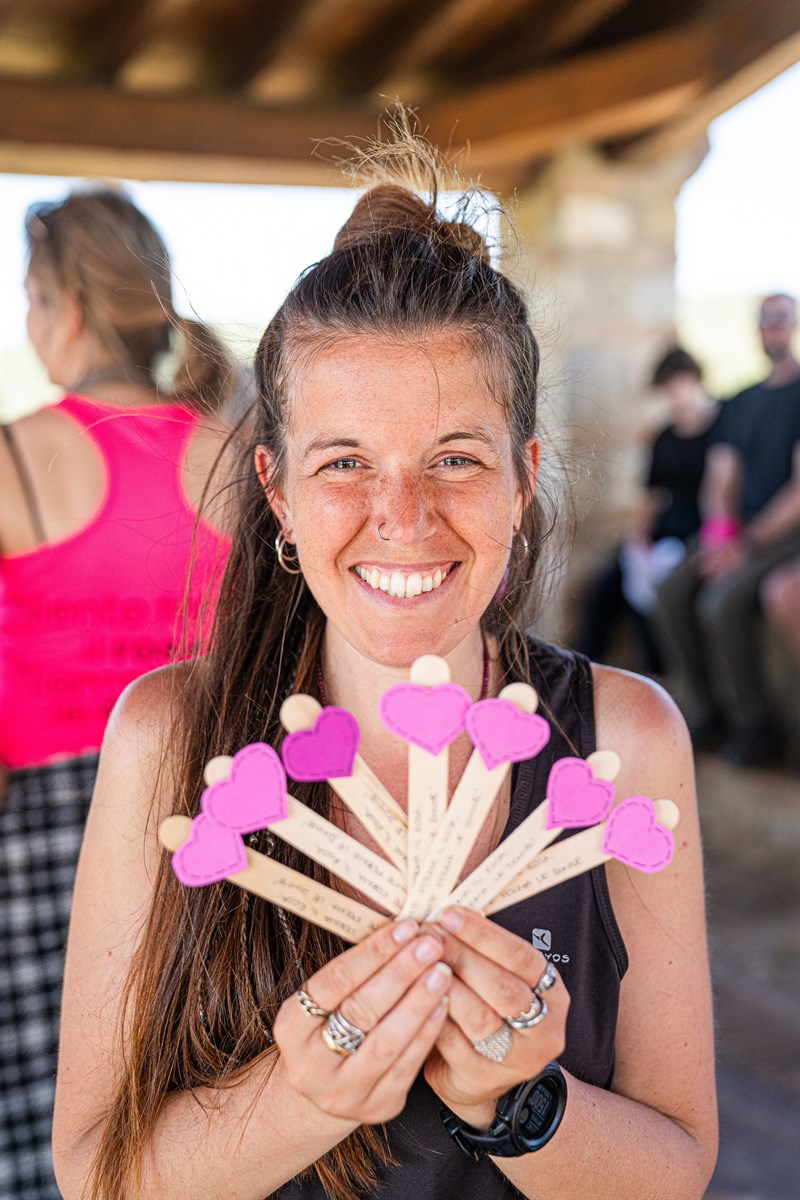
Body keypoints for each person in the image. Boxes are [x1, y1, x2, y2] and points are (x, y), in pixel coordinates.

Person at [52, 142, 717, 1200]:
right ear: (274, 491)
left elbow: (674, 1170)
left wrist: (520, 1106)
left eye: (454, 457)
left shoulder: (623, 740)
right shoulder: (168, 737)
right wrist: (300, 1102)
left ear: (520, 481)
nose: (400, 519)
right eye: (343, 464)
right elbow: (97, 1177)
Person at [0, 189, 237, 1200]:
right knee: (199, 1115)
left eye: (28, 296)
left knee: (54, 1134)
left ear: (74, 310)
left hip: (45, 840)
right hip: (217, 819)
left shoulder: (13, 458)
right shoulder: (237, 452)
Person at [653, 294, 800, 767]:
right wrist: (720, 534)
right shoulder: (742, 400)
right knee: (672, 589)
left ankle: (754, 725)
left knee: (721, 601)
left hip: (783, 535)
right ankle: (705, 713)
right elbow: (722, 475)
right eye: (764, 320)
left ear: (794, 325)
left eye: (780, 319)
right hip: (736, 531)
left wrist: (748, 543)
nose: (771, 328)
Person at [576, 347, 719, 674]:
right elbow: (652, 497)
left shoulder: (722, 428)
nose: (674, 397)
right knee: (605, 589)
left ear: (695, 379)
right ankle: (584, 672)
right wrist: (638, 541)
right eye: (666, 390)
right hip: (661, 537)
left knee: (661, 596)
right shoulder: (665, 437)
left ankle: (662, 676)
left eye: (678, 386)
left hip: (698, 537)